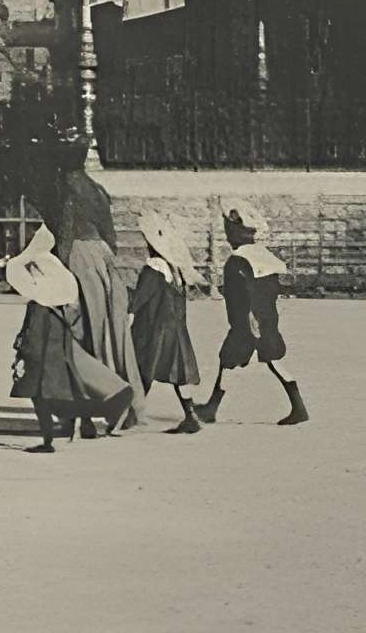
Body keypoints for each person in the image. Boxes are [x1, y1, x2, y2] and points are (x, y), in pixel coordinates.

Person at [7, 225, 131, 452]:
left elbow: (33, 337)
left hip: (41, 362)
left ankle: (48, 442)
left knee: (40, 400)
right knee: (67, 396)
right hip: (59, 358)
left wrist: (22, 355)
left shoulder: (37, 306)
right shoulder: (59, 303)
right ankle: (84, 425)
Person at [196, 203, 307, 425]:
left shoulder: (236, 261)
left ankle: (211, 408)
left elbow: (238, 296)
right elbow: (272, 289)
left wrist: (247, 319)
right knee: (261, 360)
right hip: (266, 318)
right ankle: (298, 406)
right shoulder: (262, 257)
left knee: (230, 358)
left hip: (246, 322)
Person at [56, 152, 140, 436]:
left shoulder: (67, 191)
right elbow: (111, 234)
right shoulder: (97, 189)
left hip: (80, 257)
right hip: (103, 256)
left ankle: (98, 405)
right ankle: (127, 401)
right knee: (113, 332)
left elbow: (66, 235)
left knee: (83, 334)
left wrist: (61, 272)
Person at [132, 218, 208, 433]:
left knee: (143, 367)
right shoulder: (176, 271)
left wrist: (128, 308)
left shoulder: (154, 268)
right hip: (175, 329)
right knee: (177, 374)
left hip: (154, 328)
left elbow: (141, 298)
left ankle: (130, 414)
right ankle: (190, 415)